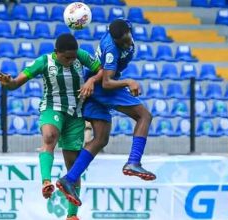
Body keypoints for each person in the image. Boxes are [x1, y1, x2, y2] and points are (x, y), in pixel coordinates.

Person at [0, 33, 102, 220]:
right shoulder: (43, 61)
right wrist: (9, 83)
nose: (71, 60)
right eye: (66, 57)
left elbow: (103, 70)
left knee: (73, 166)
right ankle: (46, 181)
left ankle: (72, 215)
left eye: (73, 57)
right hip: (52, 108)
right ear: (56, 52)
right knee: (49, 137)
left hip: (75, 115)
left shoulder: (81, 56)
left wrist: (92, 79)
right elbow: (16, 83)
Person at [56, 19, 155, 207]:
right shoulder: (111, 48)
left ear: (128, 30)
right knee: (144, 116)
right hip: (104, 89)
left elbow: (101, 70)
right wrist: (128, 82)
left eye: (127, 38)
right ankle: (134, 161)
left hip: (94, 86)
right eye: (121, 42)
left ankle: (69, 179)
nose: (126, 43)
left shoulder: (121, 27)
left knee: (101, 139)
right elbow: (108, 82)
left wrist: (91, 79)